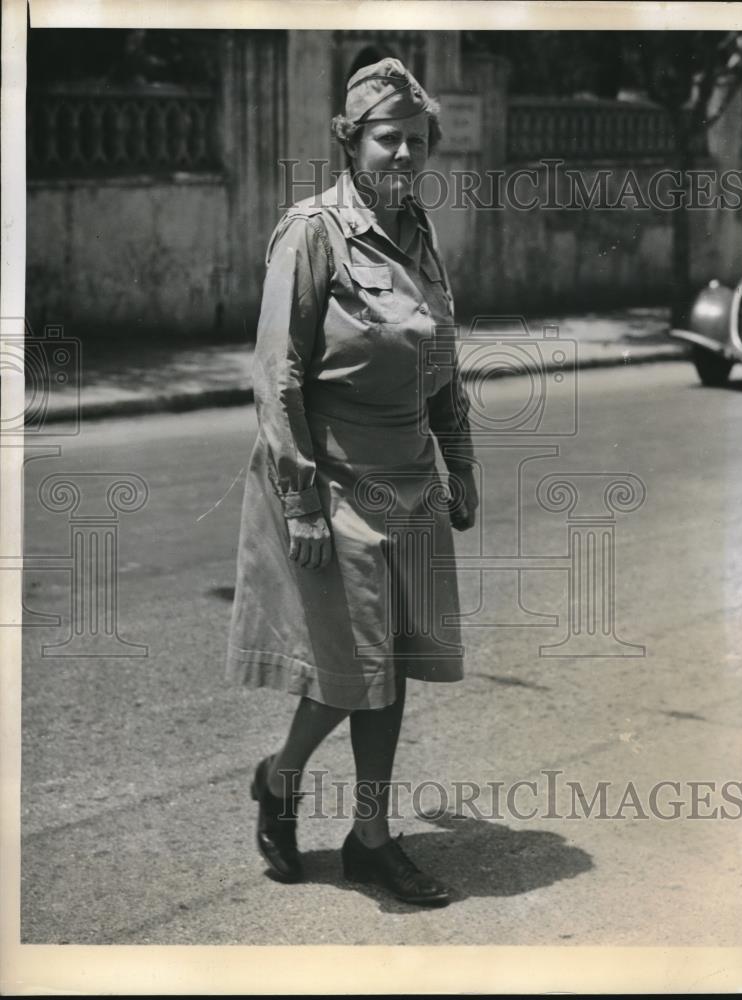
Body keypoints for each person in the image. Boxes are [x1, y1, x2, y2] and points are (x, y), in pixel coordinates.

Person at [226, 58, 478, 907]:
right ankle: (282, 777)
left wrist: (460, 462)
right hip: (332, 479)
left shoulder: (419, 233)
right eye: (387, 139)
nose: (404, 155)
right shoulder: (312, 233)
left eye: (416, 140)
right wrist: (299, 501)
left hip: (410, 479)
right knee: (354, 669)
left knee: (390, 664)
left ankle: (370, 837)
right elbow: (279, 376)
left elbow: (441, 363)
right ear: (350, 141)